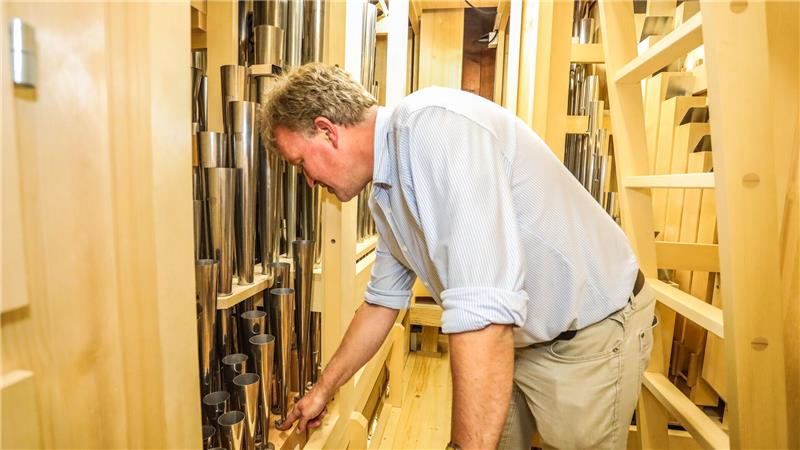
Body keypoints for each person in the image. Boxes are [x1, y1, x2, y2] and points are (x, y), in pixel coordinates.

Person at [260, 63, 657, 450]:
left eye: (301, 164)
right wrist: (323, 389)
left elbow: (483, 310)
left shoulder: (432, 129)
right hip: (519, 341)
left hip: (587, 334)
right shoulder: (386, 192)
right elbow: (381, 303)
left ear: (327, 132)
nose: (309, 181)